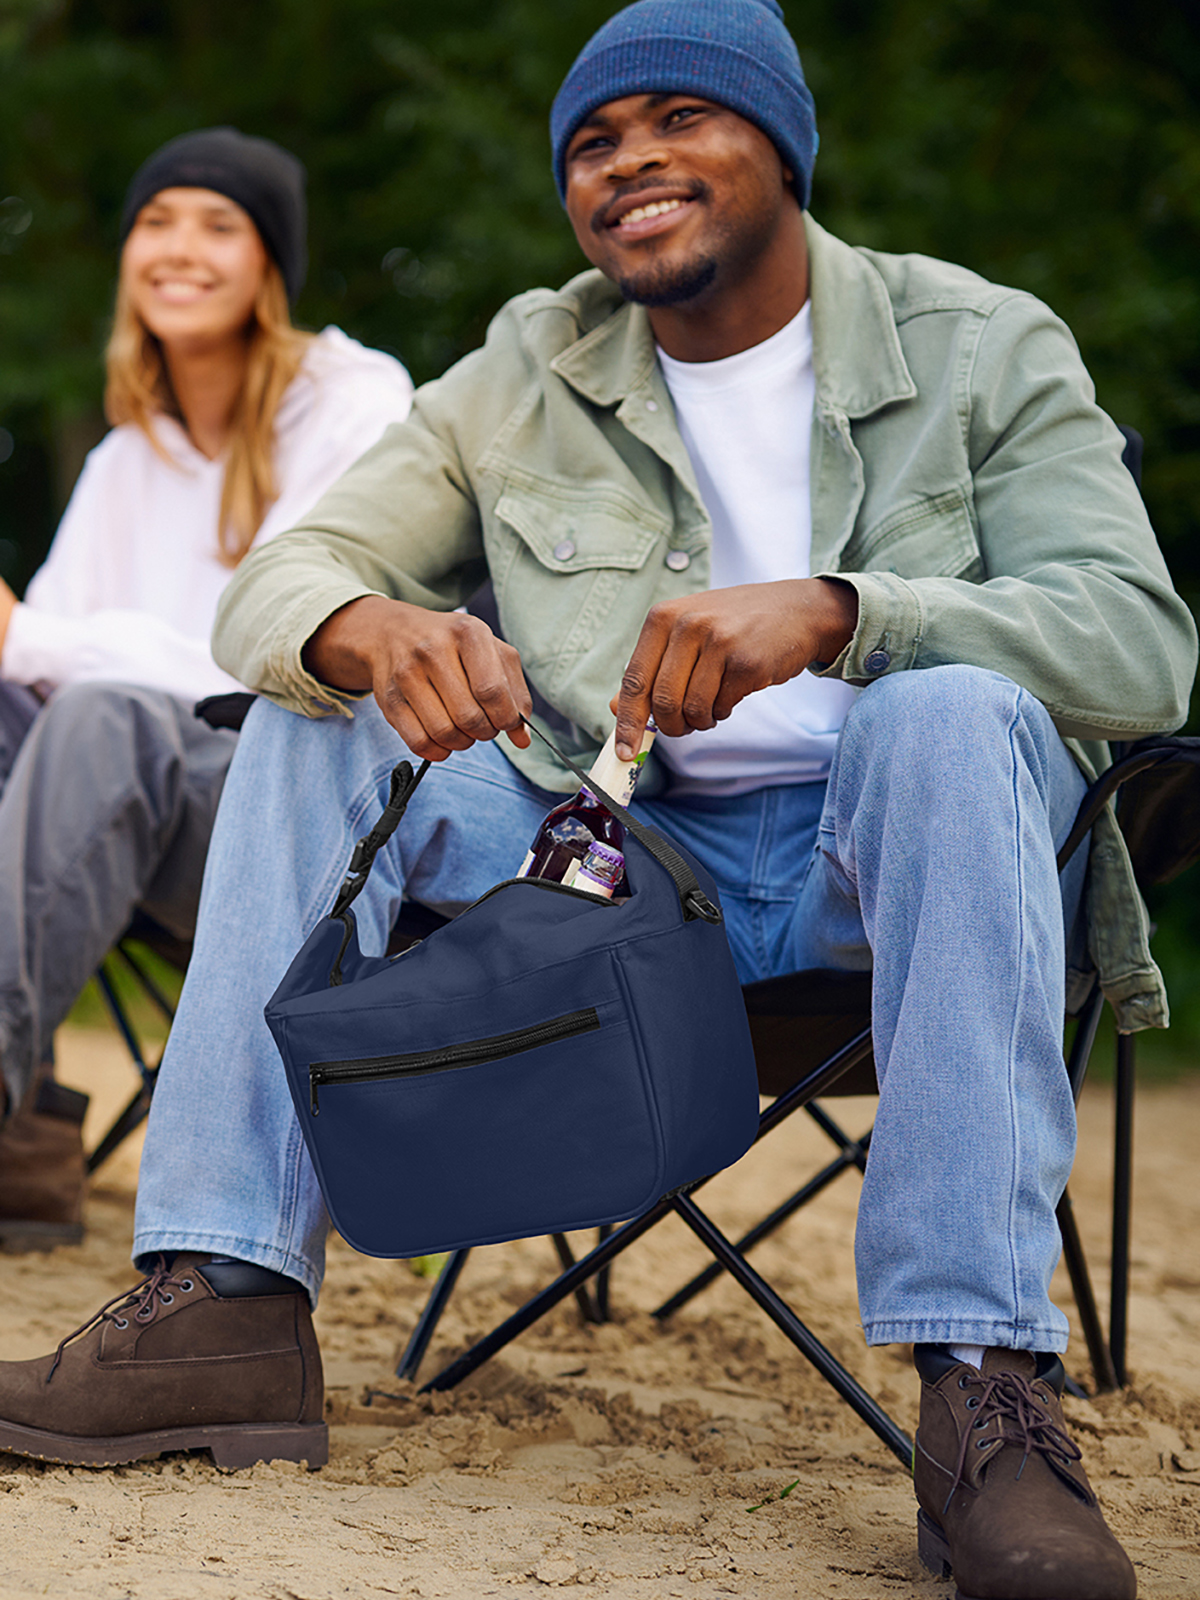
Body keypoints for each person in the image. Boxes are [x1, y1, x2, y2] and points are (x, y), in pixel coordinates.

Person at [1, 3, 1196, 1593]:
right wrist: (367, 627)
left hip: (895, 862)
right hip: (619, 877)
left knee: (950, 708)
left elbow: (1141, 643)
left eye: (679, 119)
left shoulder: (982, 341)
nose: (628, 160)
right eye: (591, 141)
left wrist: (845, 612)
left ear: (784, 147)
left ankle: (985, 1389)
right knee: (311, 706)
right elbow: (284, 577)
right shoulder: (527, 365)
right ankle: (220, 1296)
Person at [0, 127, 413, 1249]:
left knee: (101, 717)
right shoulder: (124, 455)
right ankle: (25, 1128)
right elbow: (35, 669)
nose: (179, 249)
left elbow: (285, 653)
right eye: (156, 222)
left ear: (272, 264)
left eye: (218, 226)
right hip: (111, 819)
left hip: (295, 819)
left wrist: (25, 635)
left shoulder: (357, 403)